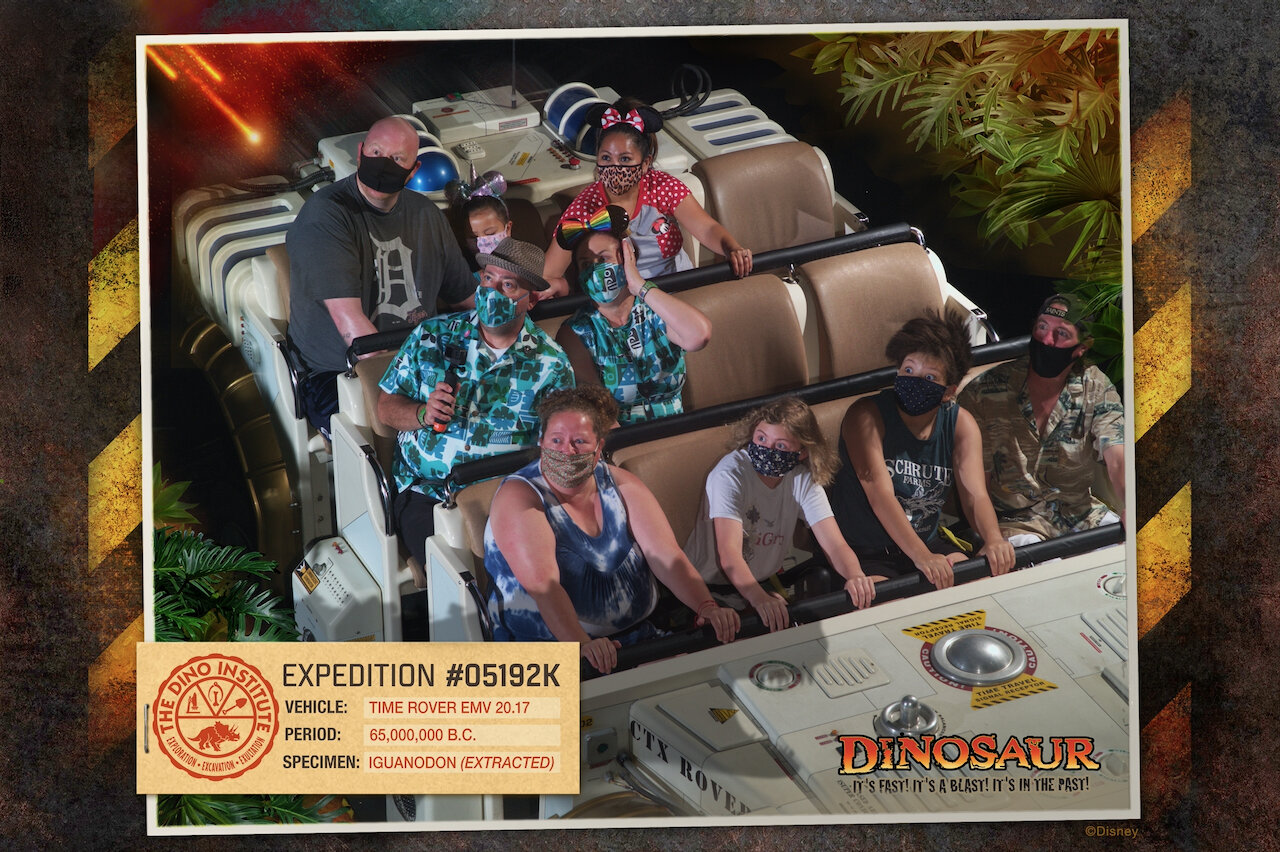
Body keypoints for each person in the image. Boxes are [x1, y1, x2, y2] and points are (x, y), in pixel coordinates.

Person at [485, 385, 741, 674]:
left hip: (637, 641)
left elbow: (665, 555)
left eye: (579, 441)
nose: (567, 450)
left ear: (598, 448)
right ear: (541, 441)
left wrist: (706, 606)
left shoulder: (621, 483)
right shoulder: (518, 497)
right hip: (548, 657)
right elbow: (544, 586)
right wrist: (582, 645)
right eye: (556, 440)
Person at [377, 238, 573, 565]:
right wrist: (423, 413)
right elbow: (385, 408)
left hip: (505, 494)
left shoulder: (552, 365)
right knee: (456, 575)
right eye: (487, 279)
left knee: (523, 568)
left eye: (507, 285)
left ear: (532, 299)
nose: (491, 292)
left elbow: (556, 450)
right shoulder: (431, 336)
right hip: (429, 492)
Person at [287, 115, 474, 438]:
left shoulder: (427, 214)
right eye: (376, 152)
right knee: (421, 435)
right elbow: (352, 328)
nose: (383, 164)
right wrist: (412, 392)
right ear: (360, 153)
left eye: (397, 159)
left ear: (413, 170)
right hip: (338, 374)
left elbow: (466, 299)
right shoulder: (326, 215)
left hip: (422, 361)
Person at [830, 312, 1016, 588]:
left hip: (927, 542)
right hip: (868, 553)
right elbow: (880, 495)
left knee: (978, 585)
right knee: (892, 604)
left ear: (948, 392)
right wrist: (922, 557)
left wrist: (993, 539)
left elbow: (975, 495)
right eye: (908, 370)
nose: (915, 381)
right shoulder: (866, 416)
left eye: (929, 376)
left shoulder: (960, 424)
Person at [683, 398, 877, 633]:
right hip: (708, 589)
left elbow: (835, 544)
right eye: (761, 439)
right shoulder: (730, 474)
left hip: (759, 585)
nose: (767, 449)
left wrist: (855, 575)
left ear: (802, 452)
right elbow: (729, 555)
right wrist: (759, 599)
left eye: (781, 446)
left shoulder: (802, 479)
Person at [958, 293, 1126, 545]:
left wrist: (1133, 507)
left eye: (1061, 333)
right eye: (1042, 327)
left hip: (1083, 515)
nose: (1047, 340)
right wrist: (991, 540)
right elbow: (973, 487)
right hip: (1016, 524)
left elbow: (1118, 458)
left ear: (1082, 347)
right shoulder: (983, 393)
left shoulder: (1095, 386)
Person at [541, 97, 753, 296]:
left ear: (645, 164)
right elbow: (550, 273)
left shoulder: (663, 186)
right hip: (624, 302)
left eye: (625, 159)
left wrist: (731, 248)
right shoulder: (585, 207)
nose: (614, 167)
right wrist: (553, 287)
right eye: (606, 158)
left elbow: (706, 229)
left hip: (679, 292)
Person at [553, 205, 712, 424]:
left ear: (627, 257)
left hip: (679, 431)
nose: (596, 270)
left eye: (603, 259)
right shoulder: (576, 331)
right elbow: (599, 412)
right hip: (623, 439)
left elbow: (699, 335)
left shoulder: (655, 309)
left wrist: (640, 286)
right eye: (586, 264)